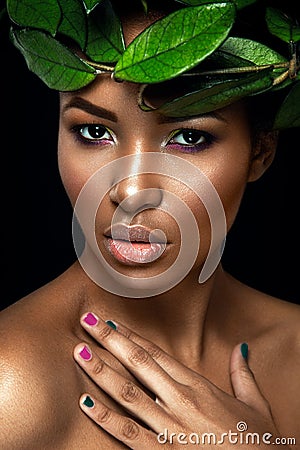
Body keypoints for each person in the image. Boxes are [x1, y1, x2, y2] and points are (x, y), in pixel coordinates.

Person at [0, 0, 299, 449]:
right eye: (94, 132)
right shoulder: (13, 385)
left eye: (189, 138)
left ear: (261, 151)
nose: (131, 189)